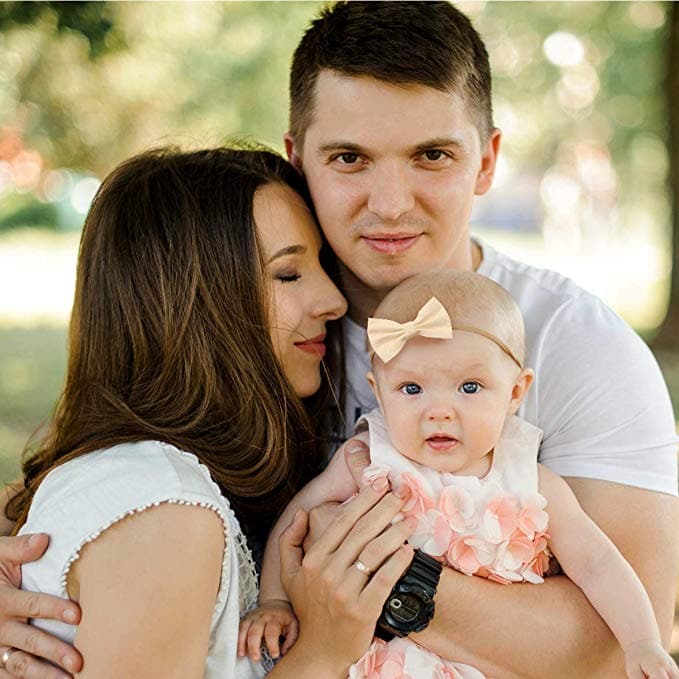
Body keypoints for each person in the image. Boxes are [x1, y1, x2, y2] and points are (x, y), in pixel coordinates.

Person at [0, 2, 677, 677]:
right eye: (349, 157)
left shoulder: (575, 344)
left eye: (431, 155)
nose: (388, 202)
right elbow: (117, 463)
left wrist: (379, 584)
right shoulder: (250, 320)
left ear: (486, 160)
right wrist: (35, 567)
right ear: (297, 159)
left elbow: (620, 648)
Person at [0, 146, 420, 679]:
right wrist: (323, 651)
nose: (334, 300)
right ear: (191, 301)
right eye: (288, 274)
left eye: (320, 267)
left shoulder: (152, 485)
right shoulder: (160, 509)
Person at [239, 270, 679, 679]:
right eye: (411, 389)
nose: (439, 411)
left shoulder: (533, 480)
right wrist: (275, 600)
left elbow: (598, 562)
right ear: (378, 391)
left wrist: (641, 641)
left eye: (470, 387)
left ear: (515, 392)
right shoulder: (370, 455)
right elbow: (299, 522)